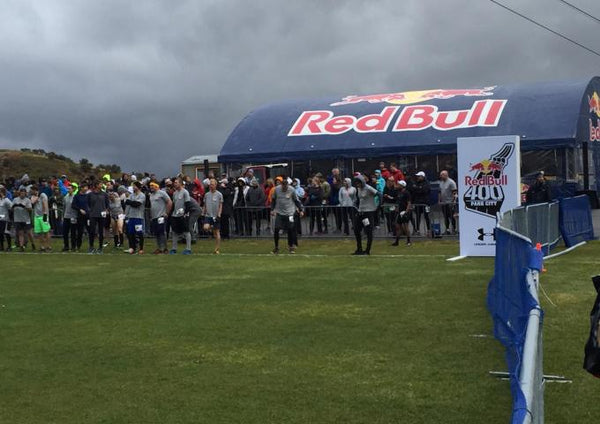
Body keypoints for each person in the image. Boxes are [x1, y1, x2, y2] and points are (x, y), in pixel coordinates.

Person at [270, 176, 304, 254]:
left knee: (291, 229)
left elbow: (296, 201)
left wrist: (301, 210)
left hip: (290, 213)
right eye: (283, 187)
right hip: (279, 212)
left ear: (287, 185)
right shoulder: (276, 189)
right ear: (281, 185)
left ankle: (291, 246)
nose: (284, 188)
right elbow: (273, 200)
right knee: (276, 229)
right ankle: (276, 247)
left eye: (286, 187)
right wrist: (272, 209)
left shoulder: (292, 190)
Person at [352, 174, 379, 255]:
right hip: (361, 212)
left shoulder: (368, 188)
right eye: (356, 183)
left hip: (368, 213)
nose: (357, 185)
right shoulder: (359, 189)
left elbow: (379, 194)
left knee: (368, 231)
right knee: (356, 229)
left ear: (362, 182)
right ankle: (359, 249)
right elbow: (359, 200)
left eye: (358, 183)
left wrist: (378, 206)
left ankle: (367, 250)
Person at [170, 177, 192, 255]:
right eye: (174, 182)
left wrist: (185, 214)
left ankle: (188, 249)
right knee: (175, 232)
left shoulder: (185, 192)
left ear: (180, 183)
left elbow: (188, 204)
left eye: (176, 182)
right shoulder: (175, 193)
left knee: (186, 232)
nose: (174, 184)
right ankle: (174, 248)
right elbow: (173, 204)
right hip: (175, 215)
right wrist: (171, 214)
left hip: (183, 215)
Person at [149, 181, 172, 254]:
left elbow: (169, 202)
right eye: (150, 186)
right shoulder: (151, 195)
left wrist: (166, 212)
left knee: (162, 232)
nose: (151, 187)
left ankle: (165, 248)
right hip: (154, 217)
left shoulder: (162, 193)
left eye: (152, 185)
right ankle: (159, 248)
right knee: (156, 233)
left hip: (161, 215)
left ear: (156, 186)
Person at [87, 180, 110, 254]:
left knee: (101, 231)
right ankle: (91, 247)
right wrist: (90, 211)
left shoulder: (104, 194)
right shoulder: (90, 194)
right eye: (100, 184)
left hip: (102, 215)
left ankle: (100, 247)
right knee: (92, 231)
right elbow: (87, 204)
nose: (102, 185)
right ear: (96, 185)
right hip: (93, 215)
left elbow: (107, 204)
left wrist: (106, 210)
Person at [124, 181, 146, 254]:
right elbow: (127, 202)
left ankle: (141, 248)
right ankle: (132, 247)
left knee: (139, 233)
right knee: (130, 233)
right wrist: (132, 203)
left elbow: (137, 204)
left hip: (138, 217)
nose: (133, 187)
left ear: (138, 186)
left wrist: (131, 202)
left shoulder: (142, 195)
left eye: (134, 186)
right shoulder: (132, 195)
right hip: (131, 216)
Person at [203, 178, 224, 254]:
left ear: (215, 185)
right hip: (208, 215)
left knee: (217, 232)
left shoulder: (219, 194)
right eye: (210, 184)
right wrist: (203, 213)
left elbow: (220, 205)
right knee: (205, 227)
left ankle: (217, 249)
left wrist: (219, 215)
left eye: (212, 184)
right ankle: (211, 228)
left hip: (216, 216)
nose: (211, 186)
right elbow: (204, 205)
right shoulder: (206, 194)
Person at [30, 185, 51, 252]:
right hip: (36, 216)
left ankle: (48, 246)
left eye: (32, 190)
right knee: (39, 232)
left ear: (35, 190)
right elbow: (32, 202)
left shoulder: (43, 195)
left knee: (46, 231)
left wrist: (45, 214)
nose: (31, 191)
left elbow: (45, 204)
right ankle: (42, 246)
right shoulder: (33, 196)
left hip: (43, 215)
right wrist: (36, 197)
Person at [409, 171, 431, 236]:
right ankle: (417, 230)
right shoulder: (416, 183)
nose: (417, 177)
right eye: (417, 176)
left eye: (419, 176)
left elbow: (424, 191)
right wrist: (418, 189)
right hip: (417, 203)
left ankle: (429, 230)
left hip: (425, 203)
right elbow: (413, 190)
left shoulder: (427, 183)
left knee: (426, 216)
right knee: (418, 217)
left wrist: (417, 189)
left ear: (422, 176)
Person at [11, 187, 33, 252]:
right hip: (18, 219)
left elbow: (30, 209)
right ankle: (21, 246)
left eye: (24, 193)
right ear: (19, 193)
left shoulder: (27, 200)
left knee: (28, 233)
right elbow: (11, 209)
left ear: (25, 193)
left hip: (26, 219)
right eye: (21, 193)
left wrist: (23, 206)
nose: (22, 194)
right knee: (20, 233)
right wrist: (14, 206)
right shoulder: (15, 199)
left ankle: (32, 244)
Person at [392, 180, 412, 246]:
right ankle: (397, 241)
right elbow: (399, 202)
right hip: (399, 211)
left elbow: (409, 203)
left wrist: (406, 211)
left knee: (406, 226)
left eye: (399, 185)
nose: (397, 186)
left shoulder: (406, 193)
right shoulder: (399, 193)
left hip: (404, 211)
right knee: (398, 226)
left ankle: (408, 241)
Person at [71, 182, 89, 251]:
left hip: (87, 216)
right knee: (80, 232)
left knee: (90, 231)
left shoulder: (88, 196)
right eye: (85, 187)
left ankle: (91, 246)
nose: (86, 188)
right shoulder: (77, 196)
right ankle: (77, 246)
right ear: (81, 188)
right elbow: (73, 205)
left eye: (87, 187)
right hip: (80, 216)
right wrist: (79, 209)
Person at [438, 170, 458, 234]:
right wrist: (439, 200)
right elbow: (440, 192)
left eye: (442, 175)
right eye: (440, 175)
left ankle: (454, 229)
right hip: (444, 203)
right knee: (445, 217)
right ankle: (447, 229)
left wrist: (454, 201)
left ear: (446, 175)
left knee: (451, 217)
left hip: (450, 202)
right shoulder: (441, 182)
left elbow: (455, 193)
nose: (441, 176)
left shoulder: (451, 182)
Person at [61, 184, 77, 251]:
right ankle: (66, 246)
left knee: (73, 232)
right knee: (65, 232)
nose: (68, 190)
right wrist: (63, 216)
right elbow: (64, 207)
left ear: (73, 189)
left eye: (70, 189)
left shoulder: (75, 197)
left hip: (73, 216)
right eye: (68, 189)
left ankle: (73, 246)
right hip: (66, 217)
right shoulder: (65, 197)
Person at [0, 187, 13, 251]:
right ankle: (1, 246)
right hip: (0, 219)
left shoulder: (6, 200)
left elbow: (11, 208)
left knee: (6, 233)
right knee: (0, 234)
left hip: (5, 219)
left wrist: (9, 217)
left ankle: (9, 246)